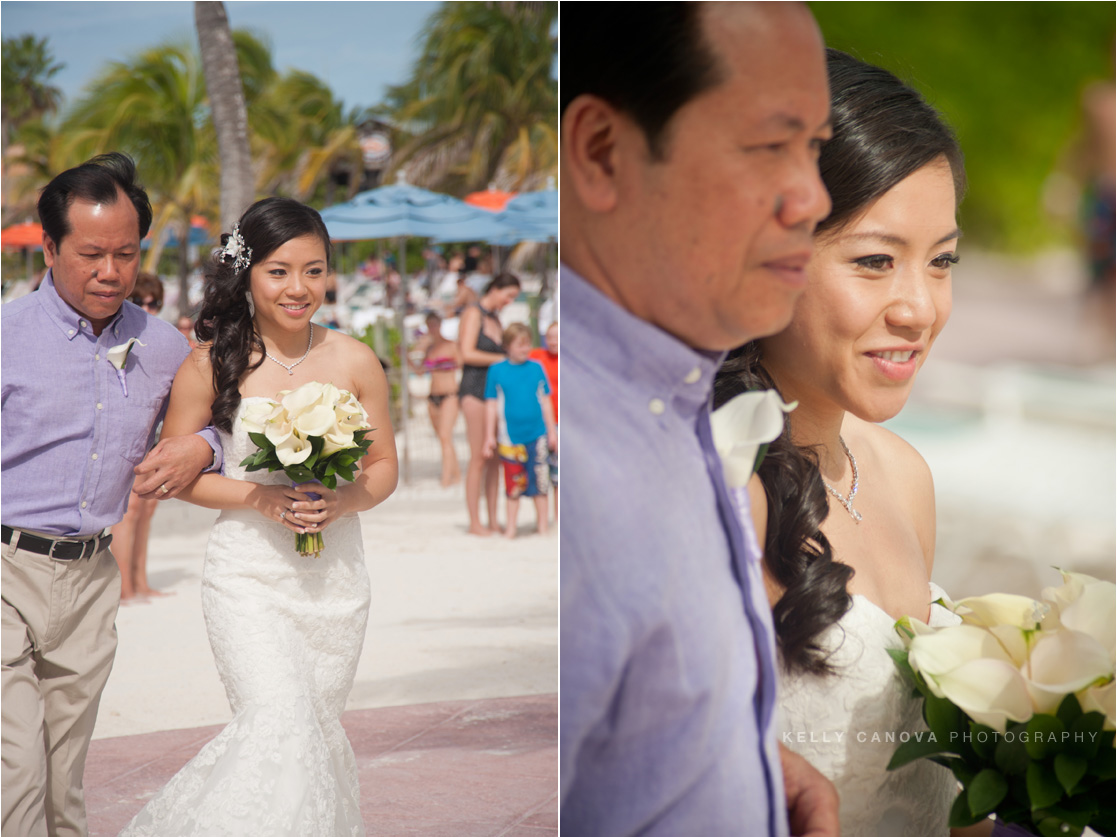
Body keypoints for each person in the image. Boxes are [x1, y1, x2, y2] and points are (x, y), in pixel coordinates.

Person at [561, 4, 839, 836]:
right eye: (769, 146)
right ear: (601, 152)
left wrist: (731, 759)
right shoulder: (583, 467)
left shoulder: (670, 400)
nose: (813, 198)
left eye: (815, 148)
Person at [712, 51, 989, 837]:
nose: (918, 308)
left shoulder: (903, 474)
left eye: (941, 262)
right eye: (874, 261)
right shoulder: (724, 487)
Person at [118, 197, 398, 836]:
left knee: (316, 732)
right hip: (247, 577)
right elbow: (177, 479)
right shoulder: (209, 362)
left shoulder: (355, 359)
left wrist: (345, 500)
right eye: (278, 270)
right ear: (246, 273)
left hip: (335, 579)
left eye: (314, 270)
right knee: (278, 722)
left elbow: (383, 465)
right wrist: (259, 498)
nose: (298, 288)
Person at [1, 152, 220, 837]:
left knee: (64, 780)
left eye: (126, 253)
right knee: (16, 772)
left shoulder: (161, 345)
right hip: (4, 568)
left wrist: (202, 444)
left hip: (94, 580)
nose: (110, 271)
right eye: (91, 253)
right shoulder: (5, 336)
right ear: (50, 246)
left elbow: (221, 416)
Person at [112, 272, 171, 601]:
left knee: (147, 509)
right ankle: (124, 587)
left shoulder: (163, 337)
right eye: (140, 302)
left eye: (154, 302)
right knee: (131, 510)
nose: (148, 308)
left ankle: (140, 581)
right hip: (131, 434)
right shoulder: (120, 339)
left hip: (158, 434)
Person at [457, 273, 521, 536]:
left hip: (494, 393)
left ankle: (493, 519)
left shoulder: (495, 318)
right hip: (473, 390)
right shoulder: (474, 313)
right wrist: (502, 361)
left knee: (495, 458)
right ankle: (475, 521)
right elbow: (466, 353)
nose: (509, 301)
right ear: (495, 289)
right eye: (509, 296)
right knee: (478, 457)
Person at [482, 323, 556, 538]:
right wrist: (489, 436)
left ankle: (542, 526)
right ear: (507, 346)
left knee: (540, 483)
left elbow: (546, 401)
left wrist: (552, 432)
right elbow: (491, 404)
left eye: (527, 344)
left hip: (538, 434)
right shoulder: (496, 370)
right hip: (509, 438)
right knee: (512, 486)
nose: (525, 349)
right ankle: (511, 528)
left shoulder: (536, 367)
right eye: (520, 345)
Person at [413, 311, 462, 487]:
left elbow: (463, 368)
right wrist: (404, 355)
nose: (432, 328)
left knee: (444, 436)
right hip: (432, 396)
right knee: (444, 438)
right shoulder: (430, 349)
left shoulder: (452, 345)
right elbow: (419, 372)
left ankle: (445, 479)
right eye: (429, 325)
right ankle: (456, 475)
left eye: (434, 324)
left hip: (450, 395)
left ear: (440, 325)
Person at [528, 321, 558, 522]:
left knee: (558, 474)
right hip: (541, 423)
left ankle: (559, 518)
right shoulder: (537, 356)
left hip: (563, 421)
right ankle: (542, 520)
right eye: (550, 337)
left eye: (557, 337)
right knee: (540, 471)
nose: (553, 341)